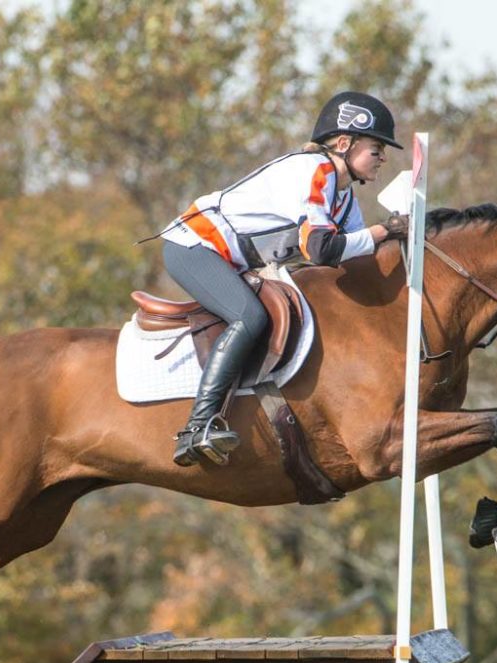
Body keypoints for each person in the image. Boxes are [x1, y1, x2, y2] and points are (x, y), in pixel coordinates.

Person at [160, 91, 408, 467]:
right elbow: (322, 250)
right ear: (344, 143)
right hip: (194, 245)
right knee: (250, 317)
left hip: (231, 259)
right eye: (376, 148)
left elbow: (359, 260)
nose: (383, 158)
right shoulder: (316, 171)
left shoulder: (344, 200)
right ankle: (198, 427)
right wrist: (382, 232)